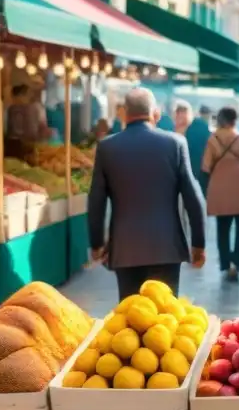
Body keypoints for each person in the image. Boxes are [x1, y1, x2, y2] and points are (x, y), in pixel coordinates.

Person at [88, 87, 206, 299]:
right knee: (165, 319)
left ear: (124, 114)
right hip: (167, 248)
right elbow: (193, 196)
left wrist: (96, 244)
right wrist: (198, 243)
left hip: (125, 250)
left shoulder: (107, 147)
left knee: (132, 318)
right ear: (156, 114)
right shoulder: (175, 143)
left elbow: (96, 200)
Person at [202, 106, 239, 282]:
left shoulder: (213, 139)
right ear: (235, 120)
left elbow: (205, 166)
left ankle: (225, 263)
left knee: (222, 228)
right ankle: (237, 262)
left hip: (220, 187)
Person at [179, 100, 210, 195]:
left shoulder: (190, 127)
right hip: (202, 164)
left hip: (190, 162)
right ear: (207, 115)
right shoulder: (206, 129)